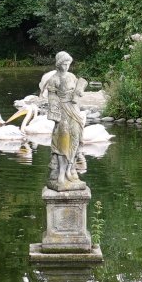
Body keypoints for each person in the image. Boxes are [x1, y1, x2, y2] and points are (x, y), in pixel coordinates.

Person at [39, 51, 87, 189]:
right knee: (63, 141)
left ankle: (70, 170)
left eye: (68, 64)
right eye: (64, 64)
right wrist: (55, 115)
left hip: (74, 109)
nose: (66, 66)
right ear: (59, 64)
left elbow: (78, 89)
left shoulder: (72, 76)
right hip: (62, 111)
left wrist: (78, 92)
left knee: (75, 139)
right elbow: (52, 98)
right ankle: (61, 173)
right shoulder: (54, 79)